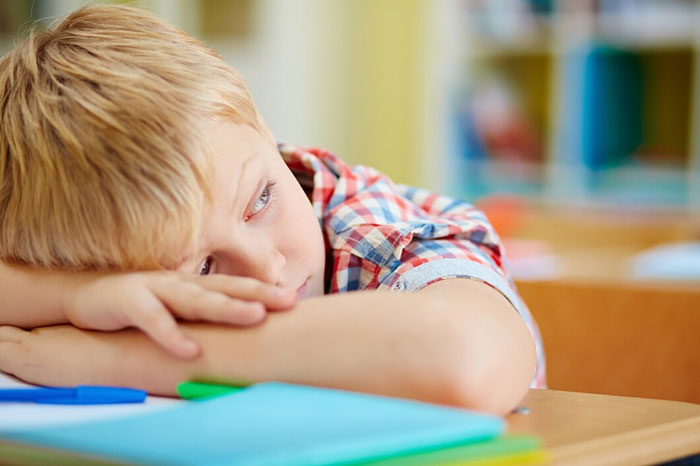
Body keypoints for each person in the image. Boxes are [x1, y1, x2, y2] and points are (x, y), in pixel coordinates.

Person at [0, 5, 544, 415]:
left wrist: (113, 359)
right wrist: (76, 296)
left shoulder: (383, 237)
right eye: (203, 270)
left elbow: (465, 361)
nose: (267, 270)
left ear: (262, 126)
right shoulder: (105, 267)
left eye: (260, 201)